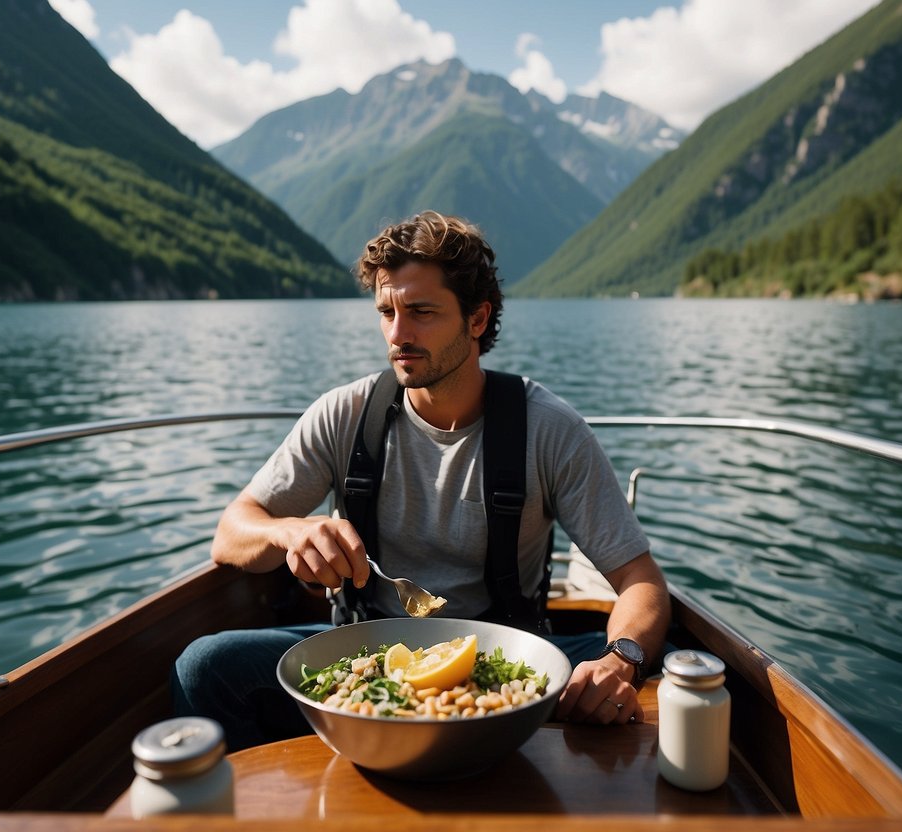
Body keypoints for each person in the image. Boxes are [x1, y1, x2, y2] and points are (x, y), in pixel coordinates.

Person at [171, 210, 670, 751]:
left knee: (682, 673)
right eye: (386, 312)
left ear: (477, 320)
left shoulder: (549, 430)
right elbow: (231, 534)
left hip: (506, 660)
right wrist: (289, 532)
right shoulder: (344, 414)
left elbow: (640, 582)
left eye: (421, 312)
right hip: (366, 656)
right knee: (203, 667)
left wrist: (621, 662)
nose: (397, 334)